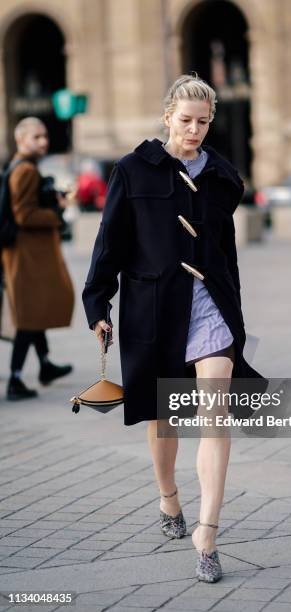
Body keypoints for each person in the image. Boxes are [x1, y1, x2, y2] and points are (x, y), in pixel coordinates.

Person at [82, 74, 267, 583]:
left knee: (214, 410)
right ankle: (169, 497)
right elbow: (110, 242)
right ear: (167, 117)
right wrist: (98, 301)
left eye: (203, 122)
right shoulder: (132, 170)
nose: (194, 130)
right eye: (185, 121)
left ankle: (206, 531)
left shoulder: (221, 176)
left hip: (210, 306)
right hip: (154, 308)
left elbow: (223, 244)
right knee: (163, 419)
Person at [1, 117, 74, 400]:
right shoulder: (26, 171)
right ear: (21, 140)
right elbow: (24, 214)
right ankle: (15, 380)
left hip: (28, 254)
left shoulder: (20, 168)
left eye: (44, 136)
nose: (43, 141)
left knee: (34, 310)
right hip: (26, 255)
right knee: (29, 317)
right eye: (36, 137)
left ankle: (45, 365)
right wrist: (56, 210)